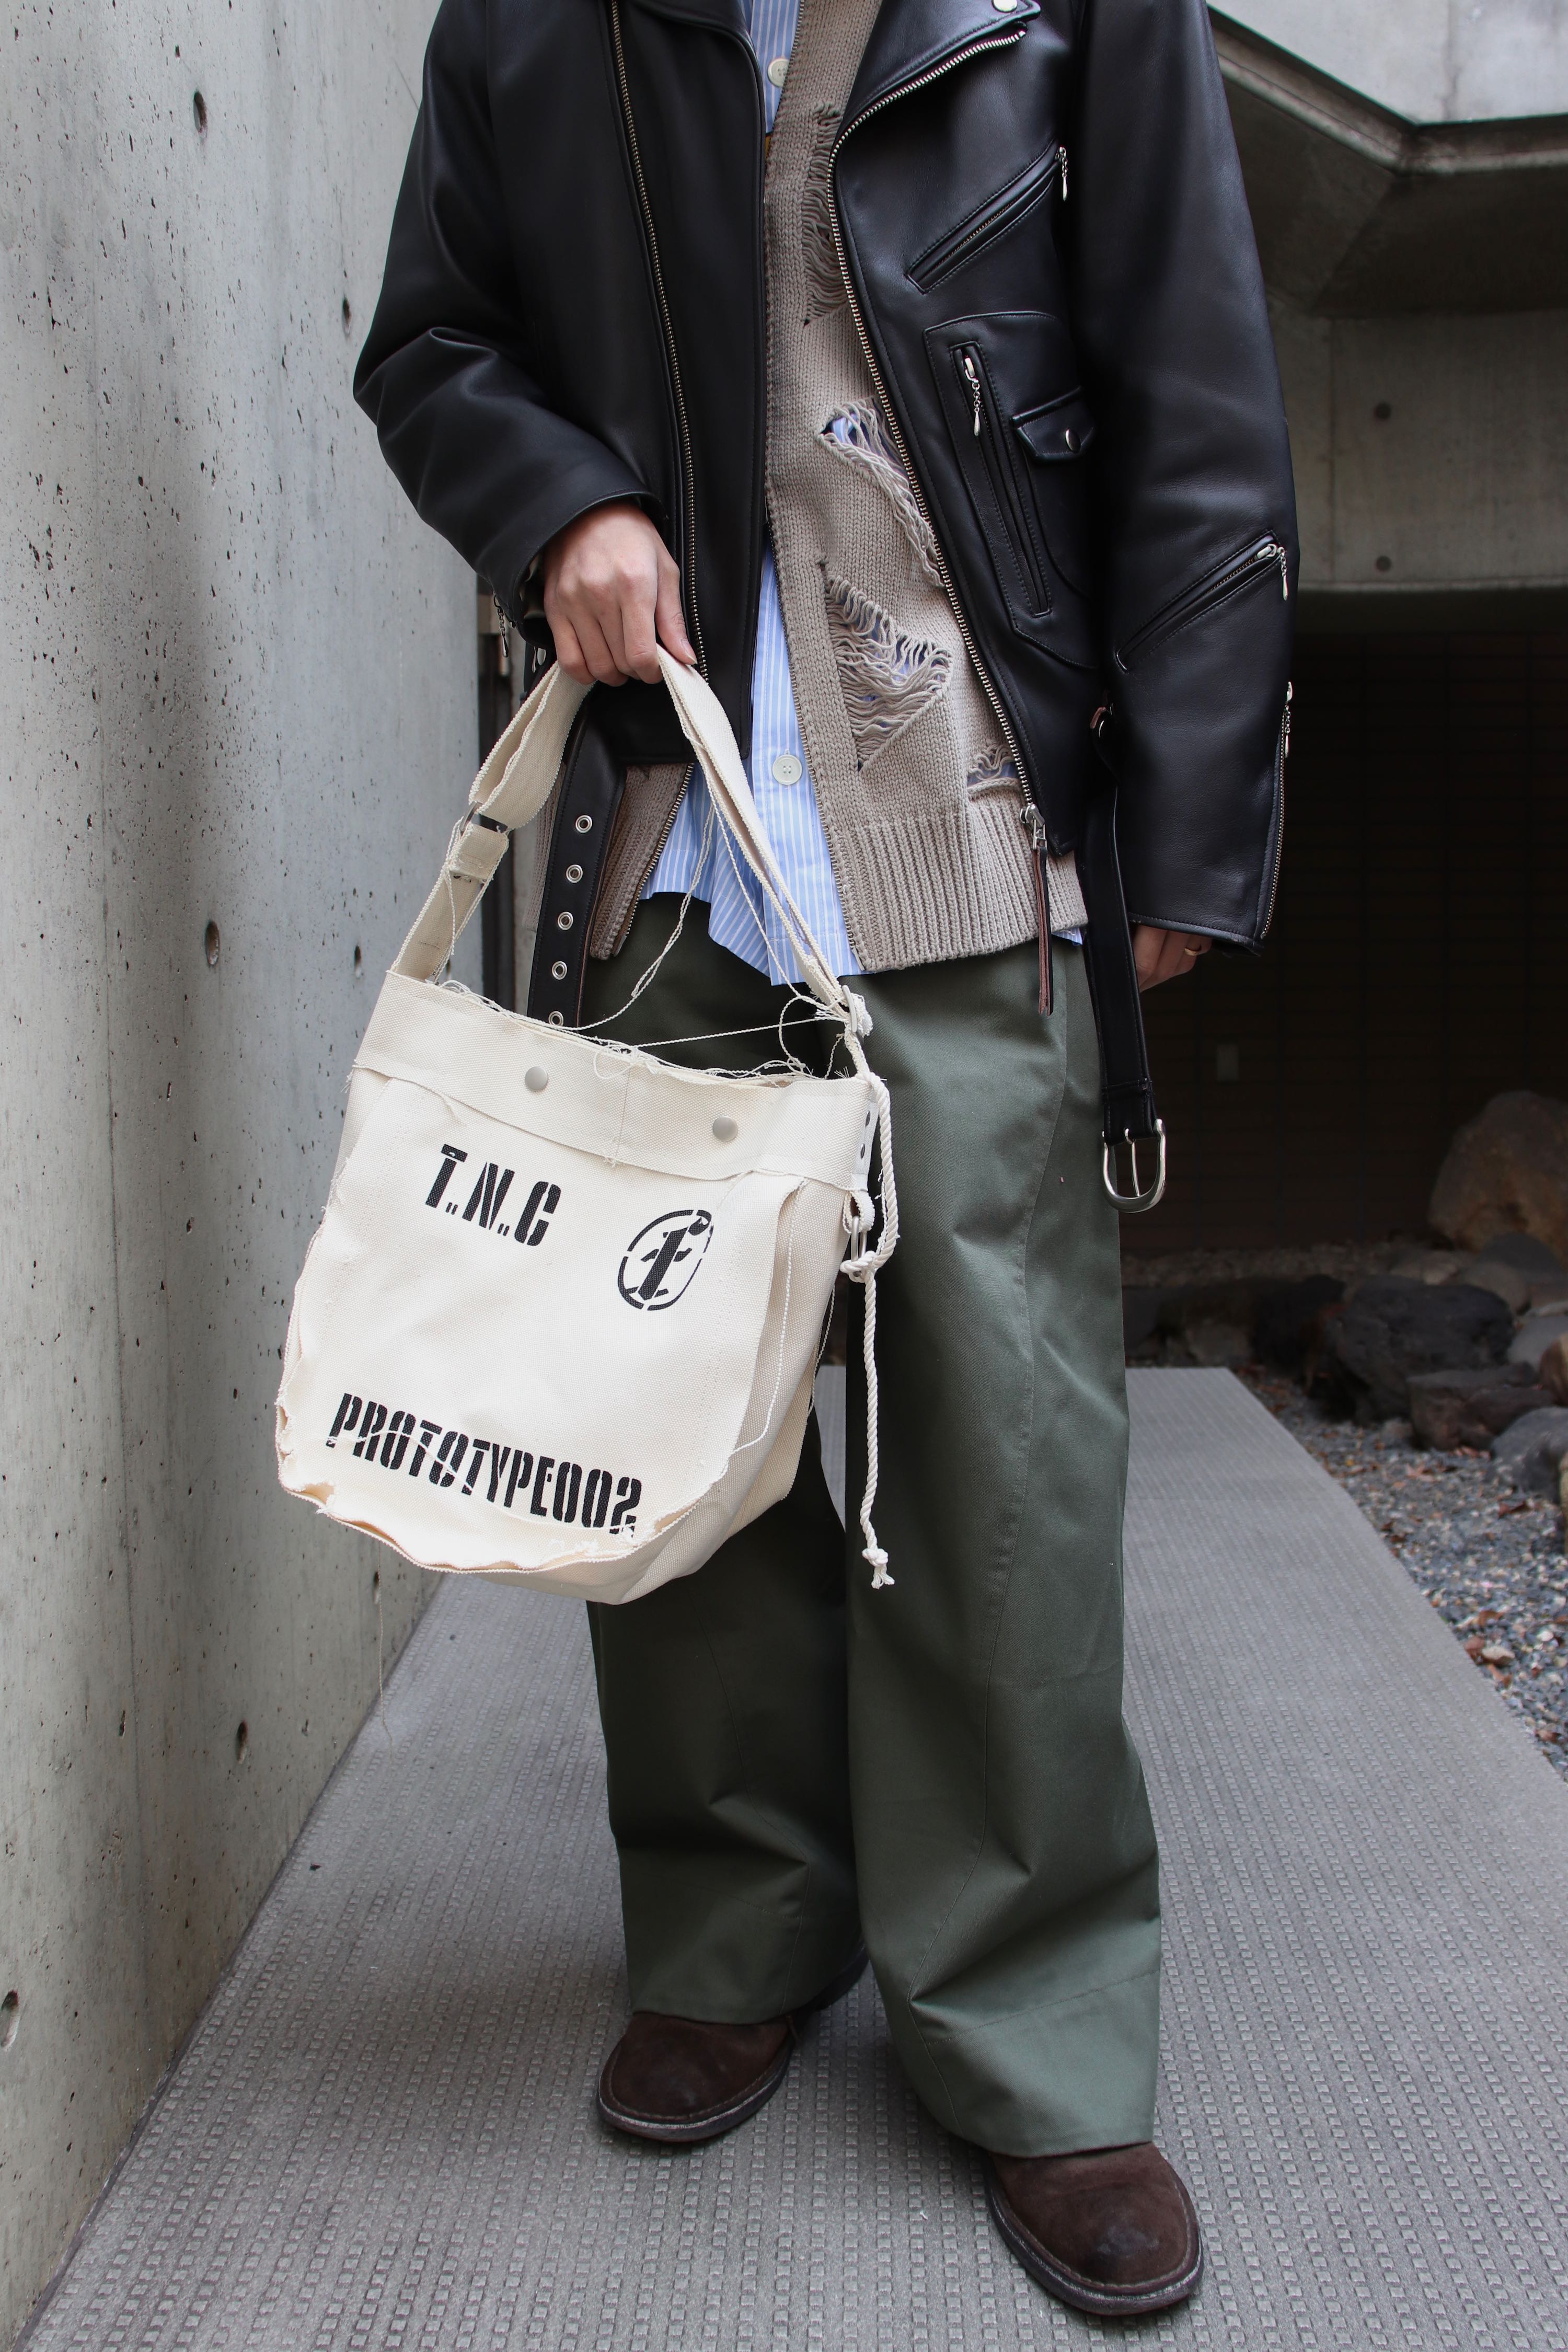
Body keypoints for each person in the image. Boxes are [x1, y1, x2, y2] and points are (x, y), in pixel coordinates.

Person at [355, 0, 1295, 2315]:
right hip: (677, 834)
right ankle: (737, 1933)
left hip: (975, 824)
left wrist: (1187, 823)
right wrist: (561, 504)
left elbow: (1193, 393)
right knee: (684, 1443)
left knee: (1006, 1460)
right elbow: (437, 338)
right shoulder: (536, 20)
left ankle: (1038, 2029)